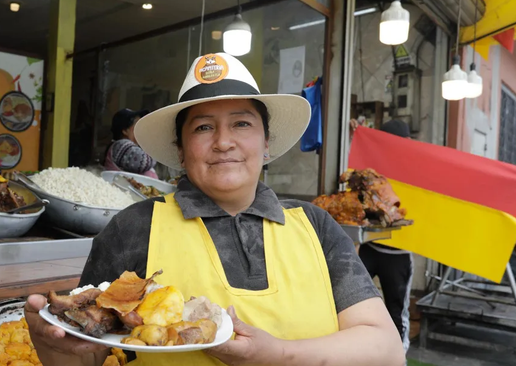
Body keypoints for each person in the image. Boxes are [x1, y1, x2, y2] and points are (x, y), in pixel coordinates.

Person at [25, 53, 405, 366]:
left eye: (241, 123)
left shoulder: (316, 226)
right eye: (203, 128)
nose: (224, 142)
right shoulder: (134, 227)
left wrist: (277, 354)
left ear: (267, 143)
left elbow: (386, 350)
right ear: (180, 150)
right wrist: (54, 347)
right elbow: (88, 354)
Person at [352, 118, 415, 353]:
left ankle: (399, 354)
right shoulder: (374, 163)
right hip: (370, 244)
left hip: (399, 253)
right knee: (356, 301)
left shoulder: (416, 166)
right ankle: (361, 351)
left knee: (396, 309)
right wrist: (354, 135)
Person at [103, 108, 159, 179]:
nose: (142, 129)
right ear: (125, 131)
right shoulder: (122, 145)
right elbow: (145, 162)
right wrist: (155, 142)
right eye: (138, 125)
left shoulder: (128, 146)